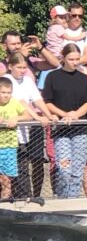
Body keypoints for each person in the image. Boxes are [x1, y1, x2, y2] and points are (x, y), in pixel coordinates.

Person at [42, 43, 87, 198]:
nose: (75, 62)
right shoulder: (53, 77)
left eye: (77, 59)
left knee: (77, 170)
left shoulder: (84, 78)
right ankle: (63, 198)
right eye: (71, 59)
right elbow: (48, 102)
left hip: (81, 130)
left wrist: (75, 114)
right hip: (62, 130)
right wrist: (64, 114)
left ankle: (73, 200)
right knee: (64, 169)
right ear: (63, 58)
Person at [4, 52, 50, 203]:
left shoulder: (28, 81)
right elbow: (21, 102)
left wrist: (48, 115)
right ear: (10, 67)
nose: (22, 70)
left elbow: (37, 99)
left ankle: (24, 197)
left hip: (22, 133)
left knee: (23, 165)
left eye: (24, 67)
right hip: (6, 134)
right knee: (7, 168)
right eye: (19, 67)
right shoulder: (6, 81)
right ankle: (9, 196)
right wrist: (37, 117)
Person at [0, 76, 40, 202]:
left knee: (7, 177)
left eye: (8, 93)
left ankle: (5, 200)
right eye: (3, 92)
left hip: (9, 146)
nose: (6, 95)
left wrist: (16, 119)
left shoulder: (14, 102)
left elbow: (27, 115)